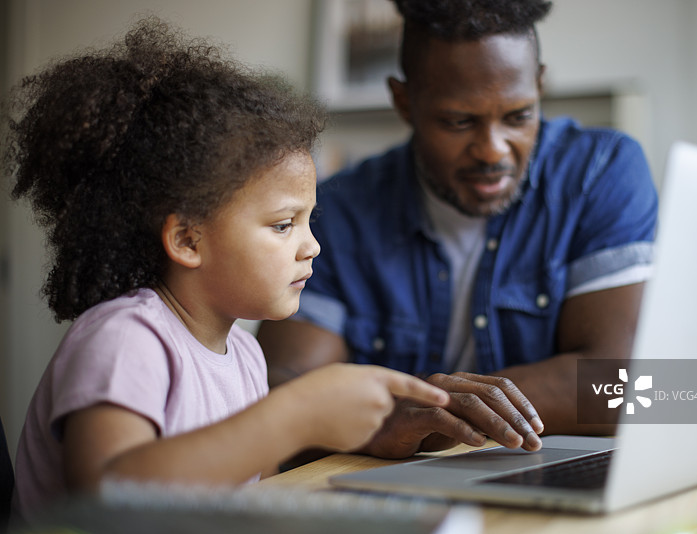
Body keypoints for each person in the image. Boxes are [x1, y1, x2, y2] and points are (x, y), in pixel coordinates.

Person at [2, 17, 536, 521]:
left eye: (308, 221)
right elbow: (105, 505)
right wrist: (293, 415)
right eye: (284, 225)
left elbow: (255, 504)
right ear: (188, 239)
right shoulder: (124, 340)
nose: (313, 248)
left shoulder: (246, 355)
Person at [258, 0, 658, 449]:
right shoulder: (341, 210)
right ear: (404, 102)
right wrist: (401, 418)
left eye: (519, 116)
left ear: (540, 85)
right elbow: (289, 389)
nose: (493, 151)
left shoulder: (601, 171)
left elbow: (620, 387)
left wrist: (426, 411)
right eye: (459, 121)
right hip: (390, 487)